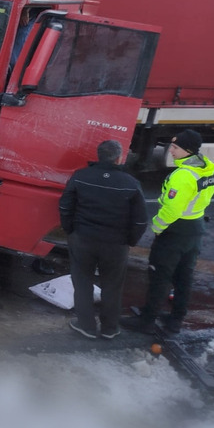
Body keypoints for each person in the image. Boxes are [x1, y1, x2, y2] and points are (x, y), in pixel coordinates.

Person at [121, 129, 214, 336]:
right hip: (195, 229)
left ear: (188, 150)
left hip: (175, 231)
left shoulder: (183, 176)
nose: (170, 151)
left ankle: (147, 321)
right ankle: (176, 320)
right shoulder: (207, 169)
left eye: (175, 147)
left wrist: (157, 227)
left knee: (160, 275)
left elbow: (172, 210)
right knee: (184, 277)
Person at [59, 139, 148, 339]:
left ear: (98, 156)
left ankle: (86, 326)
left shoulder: (81, 176)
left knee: (82, 283)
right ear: (119, 158)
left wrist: (70, 230)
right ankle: (110, 328)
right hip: (116, 244)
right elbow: (140, 220)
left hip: (83, 238)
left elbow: (65, 206)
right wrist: (130, 241)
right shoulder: (130, 183)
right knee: (112, 286)